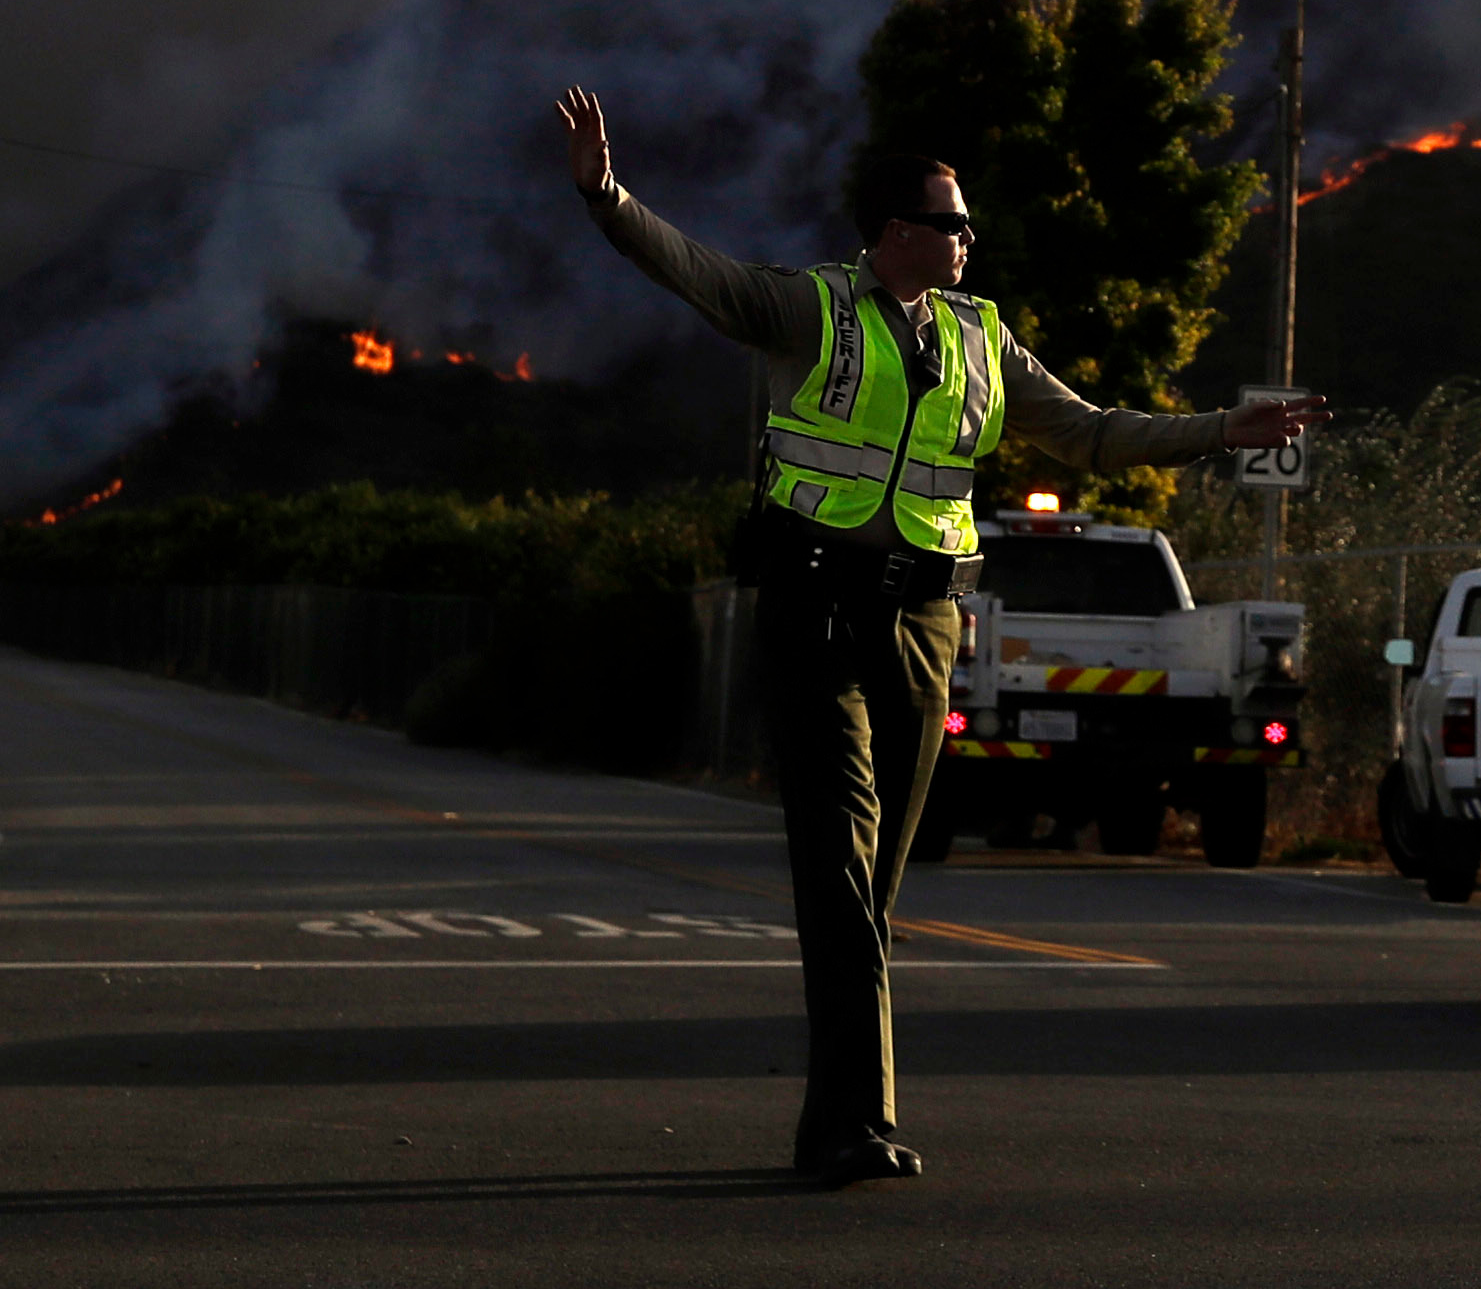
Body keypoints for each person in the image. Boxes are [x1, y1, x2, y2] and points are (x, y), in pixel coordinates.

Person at [556, 86, 1326, 1187]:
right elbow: (699, 272)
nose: (969, 238)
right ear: (895, 231)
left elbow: (1092, 435)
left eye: (968, 224)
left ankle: (838, 1120)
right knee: (840, 863)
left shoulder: (981, 335)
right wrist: (607, 194)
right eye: (952, 221)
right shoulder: (811, 307)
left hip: (925, 618)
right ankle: (853, 1123)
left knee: (875, 880)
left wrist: (1220, 430)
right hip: (814, 605)